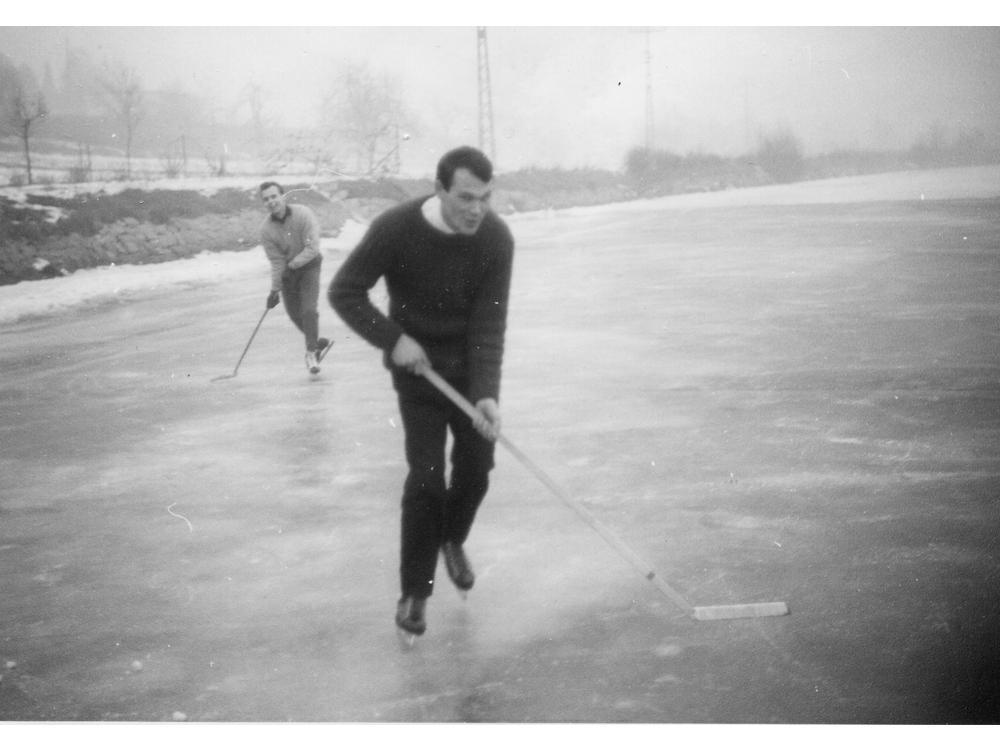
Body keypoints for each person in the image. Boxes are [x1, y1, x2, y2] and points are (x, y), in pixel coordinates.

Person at [328, 146, 515, 637]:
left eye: (486, 198)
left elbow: (489, 324)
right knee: (427, 480)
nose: (477, 209)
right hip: (418, 377)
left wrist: (486, 394)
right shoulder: (396, 228)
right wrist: (395, 339)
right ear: (439, 191)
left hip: (468, 374)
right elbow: (345, 291)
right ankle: (415, 591)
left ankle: (453, 539)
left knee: (477, 469)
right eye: (466, 197)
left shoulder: (496, 238)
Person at [259, 181, 331, 373]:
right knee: (294, 315)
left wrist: (292, 265)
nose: (271, 201)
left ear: (283, 196)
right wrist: (274, 290)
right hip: (288, 275)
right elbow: (276, 262)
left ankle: (311, 353)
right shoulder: (266, 230)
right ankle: (316, 343)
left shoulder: (303, 214)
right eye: (266, 199)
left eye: (274, 196)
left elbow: (313, 247)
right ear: (263, 203)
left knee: (308, 310)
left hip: (310, 267)